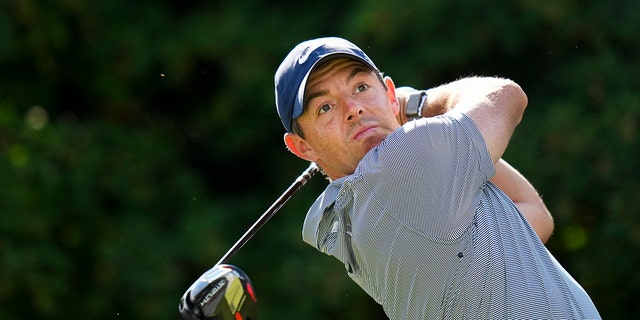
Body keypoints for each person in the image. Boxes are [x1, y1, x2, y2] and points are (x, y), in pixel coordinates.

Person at [274, 37, 600, 319]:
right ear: (302, 147)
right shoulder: (400, 164)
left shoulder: (357, 218)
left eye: (361, 87)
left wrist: (454, 149)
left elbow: (532, 213)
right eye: (326, 108)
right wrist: (416, 104)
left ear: (386, 92)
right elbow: (505, 96)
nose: (352, 108)